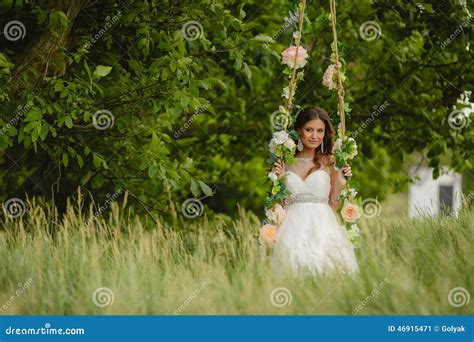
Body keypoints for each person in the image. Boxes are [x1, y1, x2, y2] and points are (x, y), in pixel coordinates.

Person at [270, 107, 359, 278]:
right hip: (291, 225)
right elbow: (281, 205)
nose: (314, 136)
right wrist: (278, 179)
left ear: (325, 133)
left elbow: (334, 202)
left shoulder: (330, 161)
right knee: (293, 270)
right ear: (299, 131)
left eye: (320, 131)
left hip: (322, 223)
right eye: (309, 129)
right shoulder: (286, 162)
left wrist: (342, 179)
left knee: (325, 268)